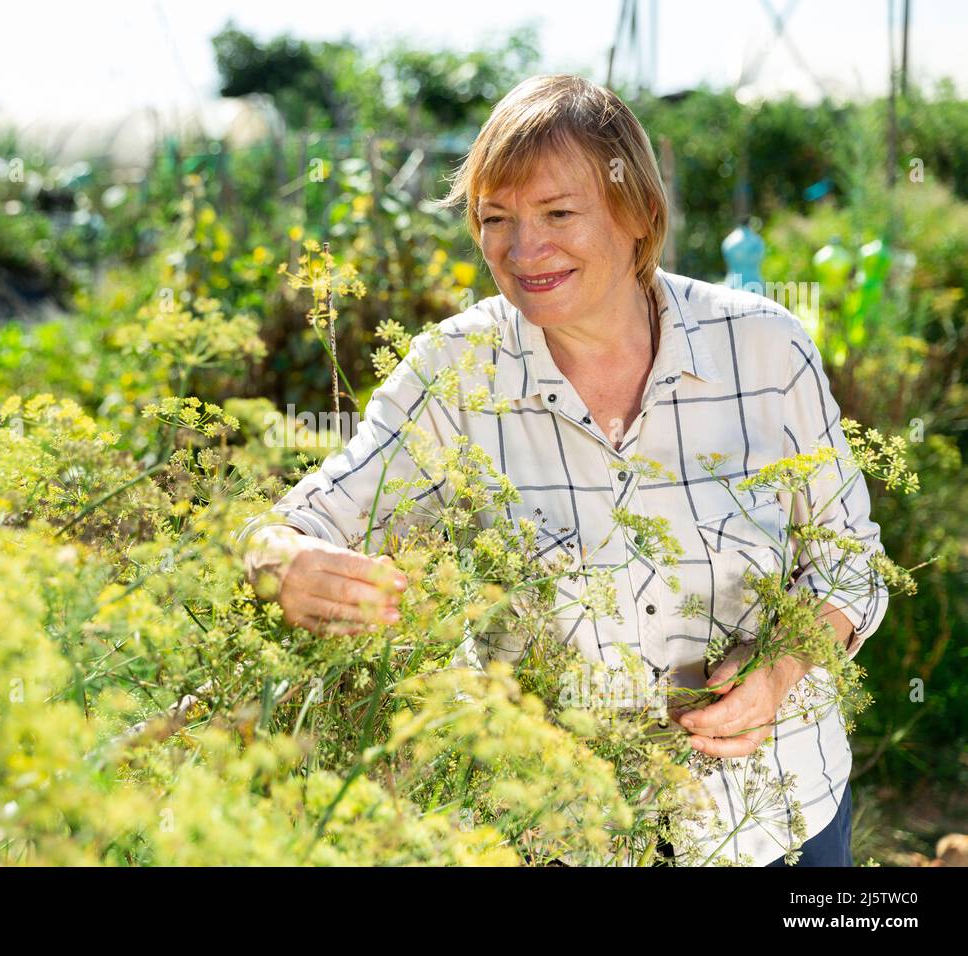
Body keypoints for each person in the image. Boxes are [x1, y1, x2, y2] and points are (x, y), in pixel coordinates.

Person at [237, 73, 888, 866]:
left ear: (639, 212)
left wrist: (781, 670)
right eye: (495, 219)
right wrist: (283, 564)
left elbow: (851, 565)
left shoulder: (764, 347)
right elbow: (297, 526)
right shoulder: (456, 371)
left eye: (557, 213)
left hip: (778, 815)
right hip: (565, 834)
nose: (522, 249)